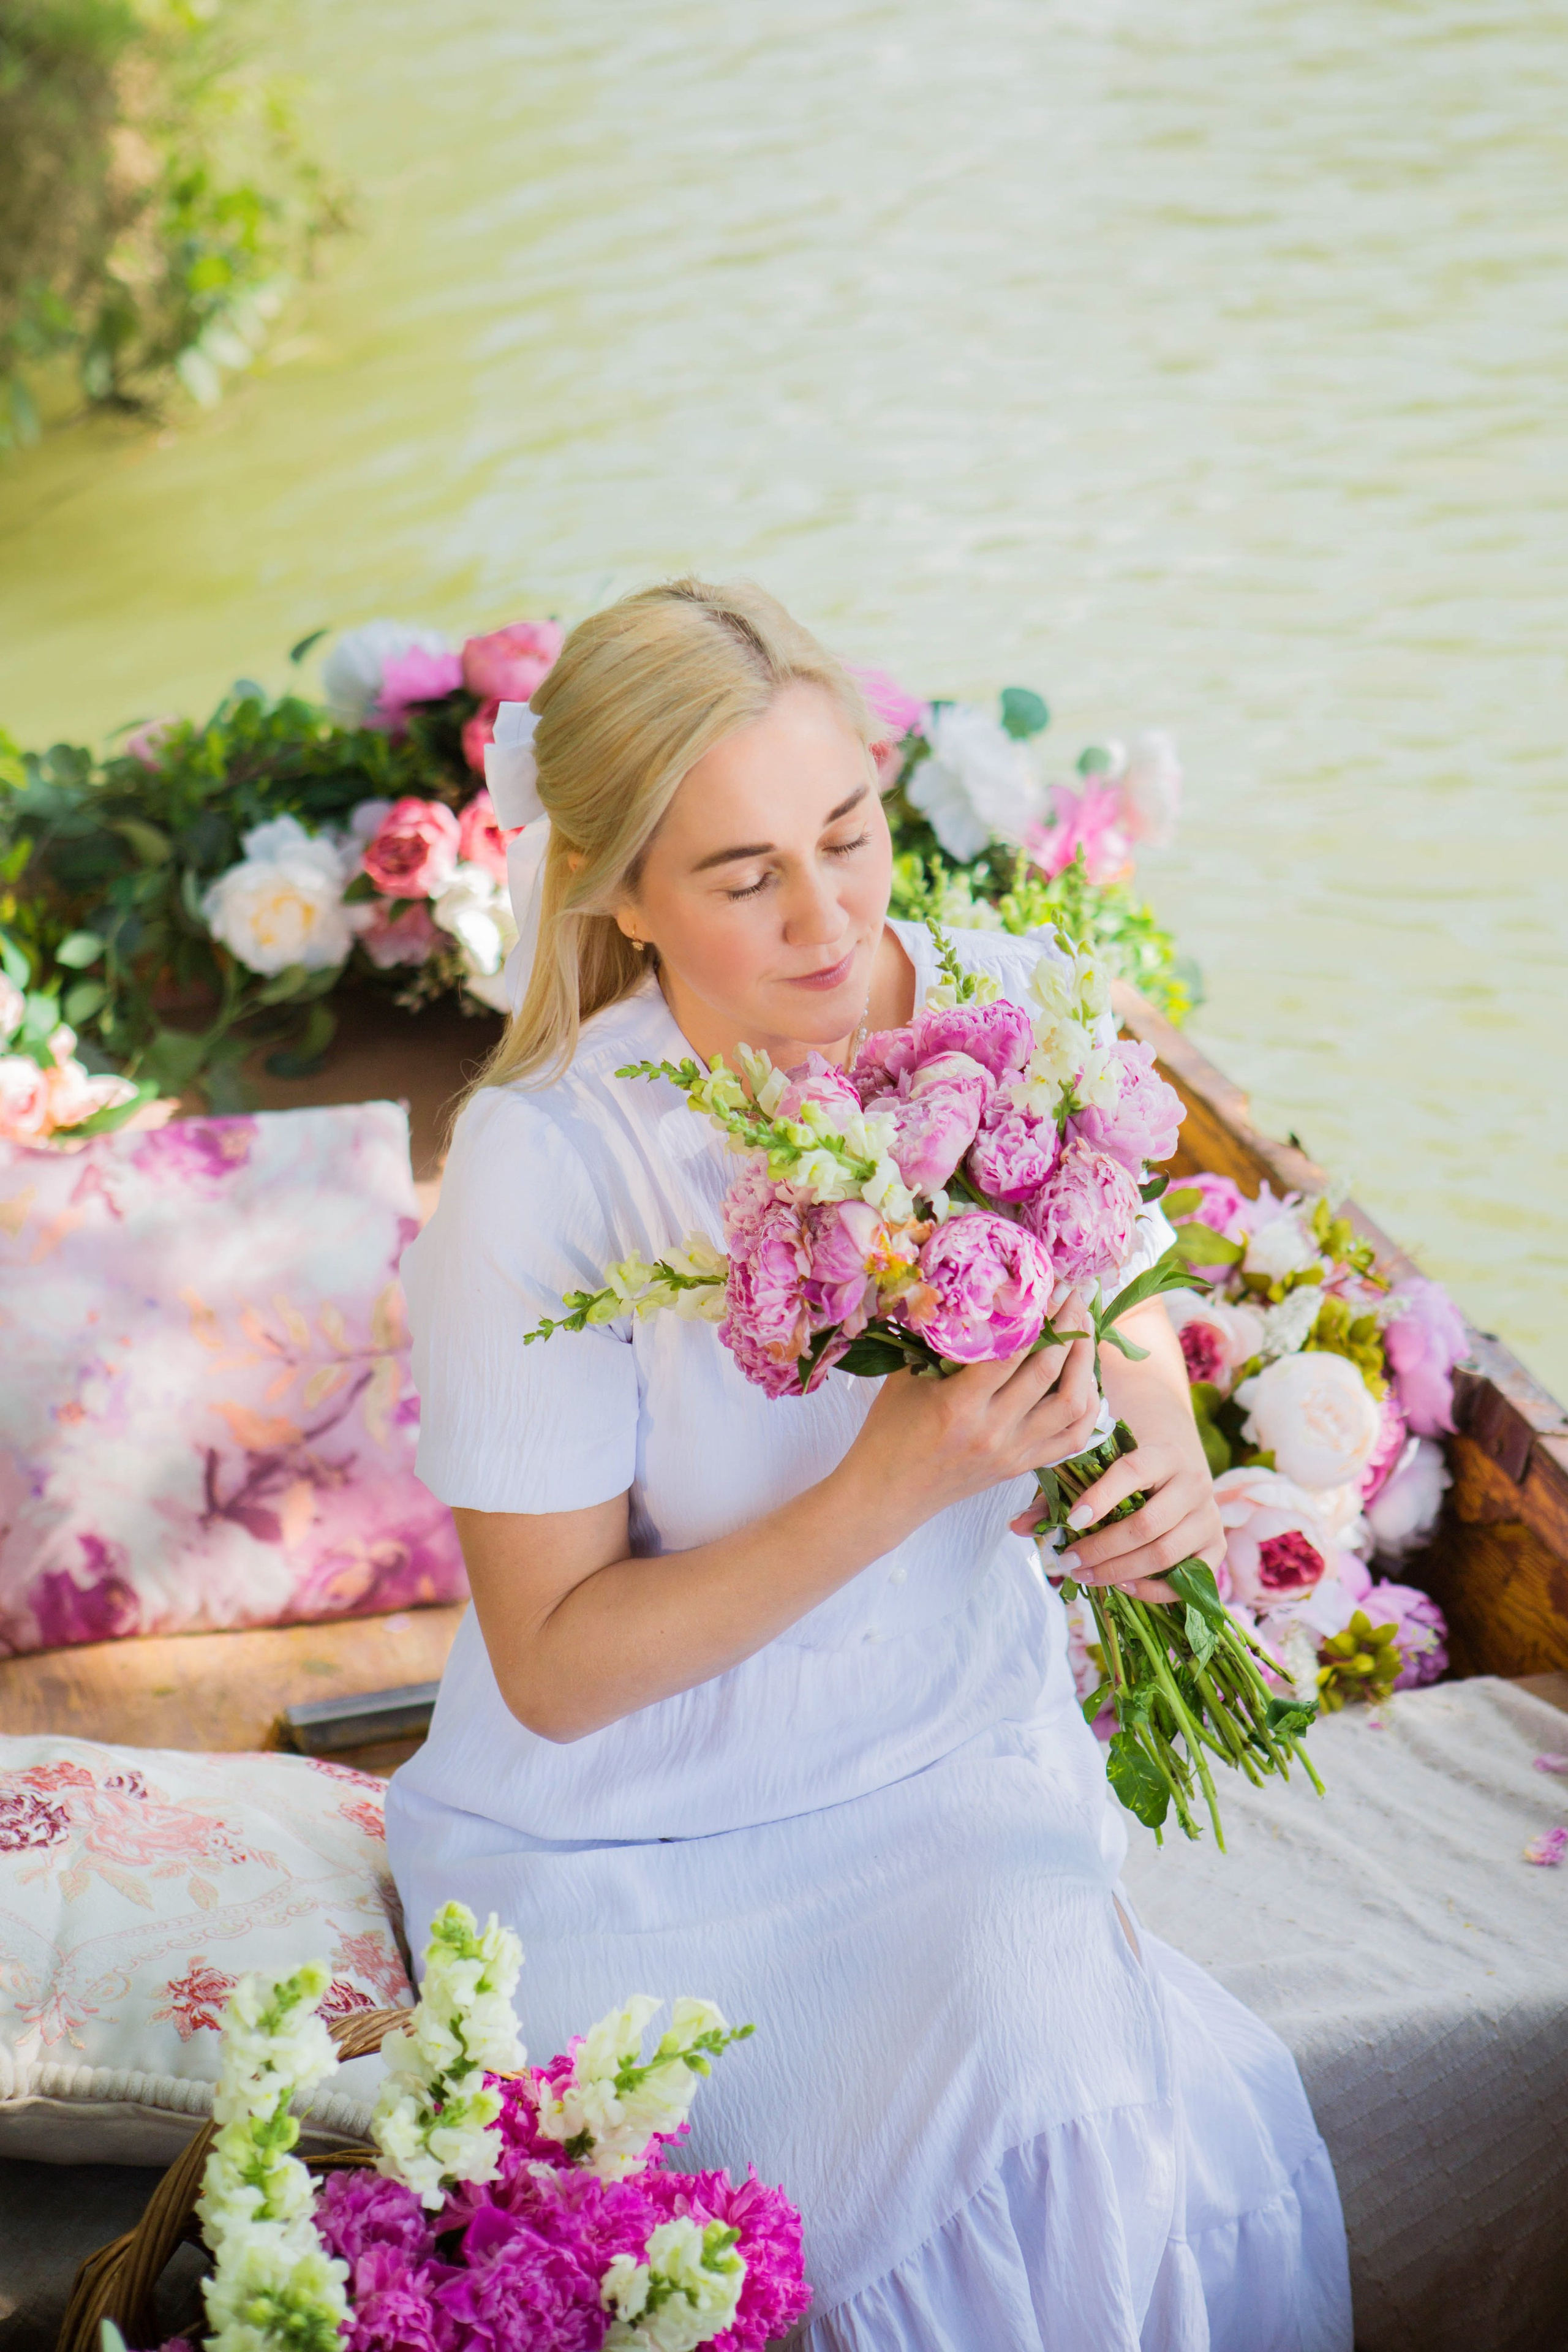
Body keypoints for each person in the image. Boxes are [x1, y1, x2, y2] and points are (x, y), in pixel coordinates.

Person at [388, 578, 1353, 2350]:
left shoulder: (1003, 1008)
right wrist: (882, 1491)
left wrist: (1155, 1450)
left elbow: (1116, 1291)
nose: (831, 921)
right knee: (831, 2216)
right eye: (747, 877)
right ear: (618, 893)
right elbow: (556, 1666)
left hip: (955, 1761)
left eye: (850, 835)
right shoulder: (546, 1174)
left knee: (1088, 2117)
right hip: (637, 1838)